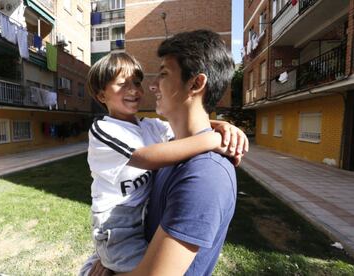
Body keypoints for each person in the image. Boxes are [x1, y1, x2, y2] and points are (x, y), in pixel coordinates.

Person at [79, 51, 246, 275]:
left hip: (140, 216)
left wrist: (222, 126)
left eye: (136, 83)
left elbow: (183, 132)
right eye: (122, 84)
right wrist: (212, 139)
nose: (134, 90)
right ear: (101, 95)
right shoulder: (104, 129)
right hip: (118, 223)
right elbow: (146, 158)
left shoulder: (150, 126)